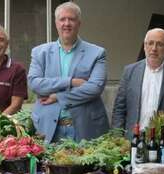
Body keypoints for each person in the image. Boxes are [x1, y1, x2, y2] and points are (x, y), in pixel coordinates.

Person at [27, 2, 109, 143]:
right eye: (62, 19)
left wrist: (59, 97)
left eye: (71, 19)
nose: (67, 23)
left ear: (79, 23)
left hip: (85, 127)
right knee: (46, 165)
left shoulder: (97, 53)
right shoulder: (40, 52)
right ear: (56, 23)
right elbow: (34, 84)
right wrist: (70, 81)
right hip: (48, 128)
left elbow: (95, 88)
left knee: (87, 165)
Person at [111, 28, 164, 137]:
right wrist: (118, 138)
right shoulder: (130, 72)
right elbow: (119, 109)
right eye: (150, 43)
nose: (154, 49)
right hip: (132, 139)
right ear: (144, 46)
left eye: (159, 44)